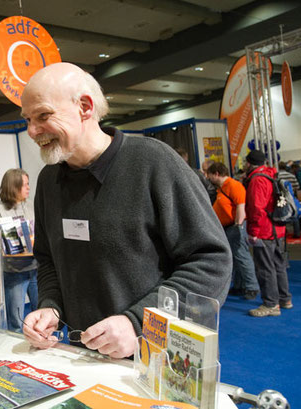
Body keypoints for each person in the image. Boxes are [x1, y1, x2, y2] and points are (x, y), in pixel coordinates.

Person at [19, 62, 231, 358]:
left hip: (161, 359)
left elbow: (212, 261)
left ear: (85, 107)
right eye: (28, 119)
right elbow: (48, 261)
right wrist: (51, 305)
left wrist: (139, 323)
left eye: (43, 116)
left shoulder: (153, 163)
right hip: (84, 358)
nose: (31, 130)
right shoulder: (48, 180)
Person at [244, 150, 293, 317]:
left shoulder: (257, 180)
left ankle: (271, 304)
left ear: (249, 163)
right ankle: (285, 299)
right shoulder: (272, 175)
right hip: (278, 227)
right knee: (279, 265)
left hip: (265, 230)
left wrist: (253, 232)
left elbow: (256, 208)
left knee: (265, 267)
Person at [205, 161, 259, 300]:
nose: (207, 177)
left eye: (209, 175)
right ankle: (240, 286)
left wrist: (238, 226)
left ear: (216, 174)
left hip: (235, 227)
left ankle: (252, 287)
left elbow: (241, 207)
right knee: (236, 258)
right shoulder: (222, 187)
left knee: (242, 257)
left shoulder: (234, 186)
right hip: (228, 228)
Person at [0, 168, 39, 333]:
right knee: (16, 322)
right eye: (25, 185)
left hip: (36, 269)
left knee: (41, 316)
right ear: (14, 186)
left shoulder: (31, 206)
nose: (28, 188)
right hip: (14, 273)